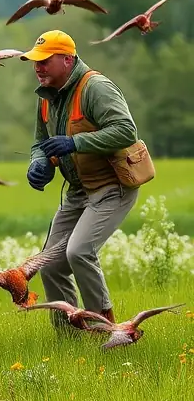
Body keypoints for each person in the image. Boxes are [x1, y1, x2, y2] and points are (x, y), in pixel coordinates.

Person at [23, 30, 139, 327]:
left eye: (45, 61)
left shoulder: (96, 87)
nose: (38, 67)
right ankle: (70, 338)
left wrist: (75, 143)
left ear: (67, 59)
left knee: (79, 251)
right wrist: (39, 164)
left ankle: (107, 328)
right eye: (35, 61)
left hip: (112, 187)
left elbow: (126, 131)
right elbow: (40, 142)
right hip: (77, 191)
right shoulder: (46, 96)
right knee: (48, 263)